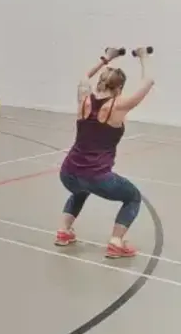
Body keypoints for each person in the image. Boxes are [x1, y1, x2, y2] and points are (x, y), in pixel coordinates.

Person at [55, 46, 155, 258]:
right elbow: (148, 82)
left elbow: (83, 77)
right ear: (119, 89)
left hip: (68, 172)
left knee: (80, 190)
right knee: (133, 197)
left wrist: (106, 58)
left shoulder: (84, 98)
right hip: (98, 177)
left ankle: (64, 231)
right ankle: (116, 241)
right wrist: (143, 57)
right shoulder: (118, 106)